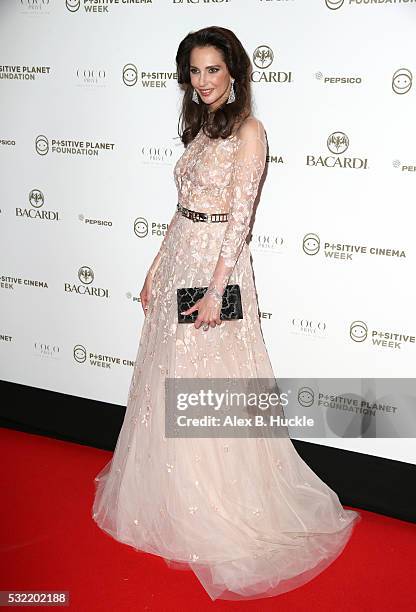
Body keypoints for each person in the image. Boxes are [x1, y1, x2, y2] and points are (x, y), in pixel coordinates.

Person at [92, 26, 361, 601]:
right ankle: (173, 493)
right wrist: (154, 267)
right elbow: (182, 208)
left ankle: (220, 503)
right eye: (194, 71)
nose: (203, 81)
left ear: (233, 72)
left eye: (213, 70)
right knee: (169, 379)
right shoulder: (198, 129)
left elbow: (239, 219)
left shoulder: (250, 132)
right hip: (179, 262)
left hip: (219, 270)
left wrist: (217, 291)